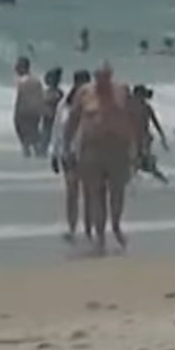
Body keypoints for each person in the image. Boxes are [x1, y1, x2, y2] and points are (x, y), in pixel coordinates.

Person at [64, 64, 135, 253]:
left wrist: (135, 148)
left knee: (117, 193)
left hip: (118, 151)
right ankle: (100, 236)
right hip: (92, 151)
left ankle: (116, 226)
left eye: (105, 77)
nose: (102, 82)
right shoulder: (85, 93)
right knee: (96, 194)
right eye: (99, 78)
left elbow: (132, 119)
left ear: (110, 77)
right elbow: (73, 119)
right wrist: (67, 146)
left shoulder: (121, 92)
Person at [49, 70, 92, 241]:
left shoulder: (94, 103)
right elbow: (57, 128)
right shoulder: (64, 104)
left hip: (89, 152)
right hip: (69, 153)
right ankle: (72, 227)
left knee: (90, 192)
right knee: (72, 192)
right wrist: (54, 153)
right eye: (79, 82)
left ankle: (90, 228)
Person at [130, 85, 169, 184]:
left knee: (138, 163)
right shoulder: (141, 107)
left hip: (143, 139)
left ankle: (130, 185)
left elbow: (155, 123)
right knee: (139, 163)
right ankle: (163, 180)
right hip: (138, 138)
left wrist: (162, 136)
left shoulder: (144, 108)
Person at [13, 56, 43, 157]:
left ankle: (28, 157)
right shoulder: (36, 80)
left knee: (25, 139)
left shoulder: (22, 81)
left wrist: (16, 114)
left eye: (17, 66)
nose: (15, 68)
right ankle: (39, 157)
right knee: (34, 136)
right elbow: (40, 97)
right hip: (35, 112)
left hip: (24, 112)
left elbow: (21, 99)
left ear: (23, 67)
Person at [38, 68, 64, 158]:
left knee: (47, 135)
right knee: (49, 136)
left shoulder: (54, 92)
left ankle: (43, 153)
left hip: (51, 116)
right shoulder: (57, 92)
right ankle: (45, 152)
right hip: (52, 116)